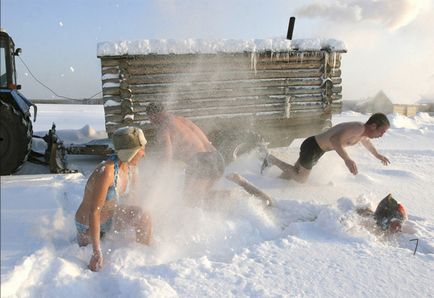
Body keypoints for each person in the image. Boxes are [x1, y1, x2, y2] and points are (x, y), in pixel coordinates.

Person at [75, 126, 152, 272]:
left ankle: (145, 259)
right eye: (141, 149)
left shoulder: (132, 168)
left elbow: (134, 202)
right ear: (130, 152)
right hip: (88, 226)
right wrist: (96, 252)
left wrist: (140, 224)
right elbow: (94, 212)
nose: (144, 154)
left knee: (144, 215)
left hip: (110, 217)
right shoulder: (107, 172)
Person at [261, 113, 391, 183]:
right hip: (313, 147)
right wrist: (347, 159)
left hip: (317, 149)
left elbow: (367, 143)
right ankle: (271, 160)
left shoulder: (362, 134)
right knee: (301, 179)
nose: (382, 135)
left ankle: (271, 183)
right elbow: (334, 139)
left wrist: (378, 155)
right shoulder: (358, 128)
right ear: (373, 126)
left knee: (292, 174)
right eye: (382, 131)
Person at [145, 102, 225, 201]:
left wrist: (156, 176)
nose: (150, 121)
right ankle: (235, 197)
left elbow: (167, 156)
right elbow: (202, 141)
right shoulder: (182, 120)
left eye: (150, 118)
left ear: (154, 115)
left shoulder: (163, 129)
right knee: (202, 196)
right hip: (217, 158)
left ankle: (236, 199)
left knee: (188, 198)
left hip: (201, 161)